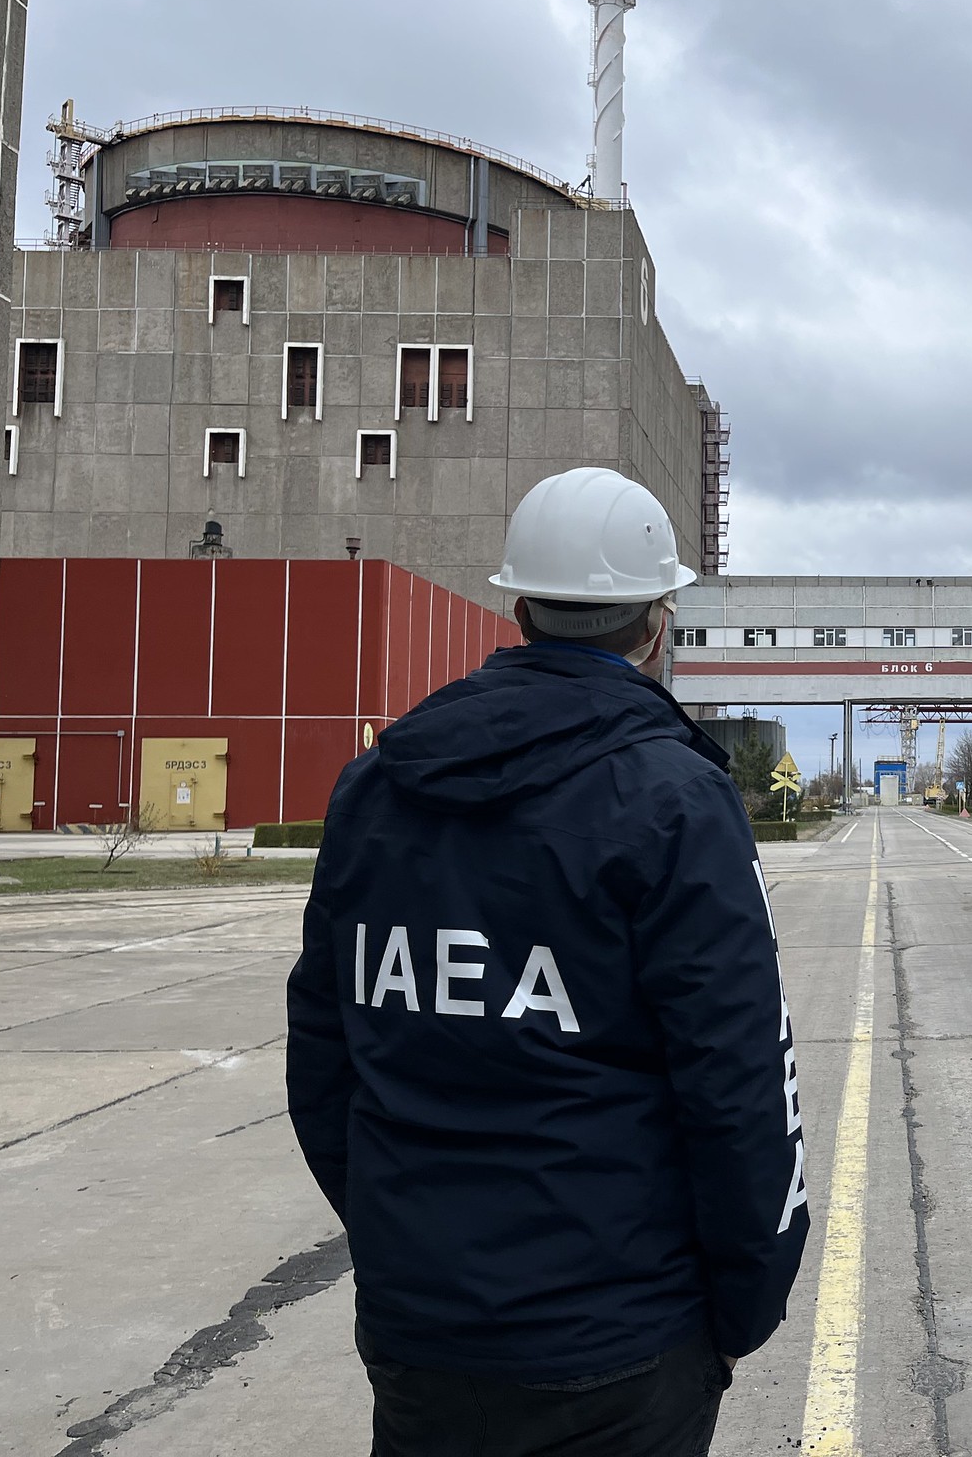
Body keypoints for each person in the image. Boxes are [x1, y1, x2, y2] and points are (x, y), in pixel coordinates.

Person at [287, 467, 810, 1457]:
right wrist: (742, 1303)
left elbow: (323, 1054)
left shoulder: (376, 787)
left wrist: (401, 1242)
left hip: (421, 1330)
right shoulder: (674, 801)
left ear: (519, 606)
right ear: (658, 625)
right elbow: (738, 1085)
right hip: (617, 1335)